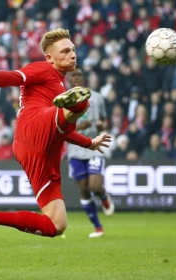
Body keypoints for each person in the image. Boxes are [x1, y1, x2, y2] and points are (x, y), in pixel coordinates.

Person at [0, 28, 111, 241]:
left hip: (40, 148)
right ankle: (74, 104)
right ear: (49, 58)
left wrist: (89, 143)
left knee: (57, 225)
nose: (73, 54)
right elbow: (12, 77)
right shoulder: (43, 69)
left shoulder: (60, 83)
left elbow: (66, 131)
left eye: (73, 50)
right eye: (65, 51)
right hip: (32, 127)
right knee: (83, 100)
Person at [66, 66, 114, 238]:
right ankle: (98, 227)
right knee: (84, 190)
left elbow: (105, 123)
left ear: (84, 78)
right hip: (75, 149)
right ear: (69, 79)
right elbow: (59, 128)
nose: (76, 78)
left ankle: (103, 195)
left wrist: (101, 126)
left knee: (94, 186)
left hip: (94, 146)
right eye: (73, 75)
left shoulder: (97, 98)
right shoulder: (63, 100)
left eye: (79, 75)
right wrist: (79, 127)